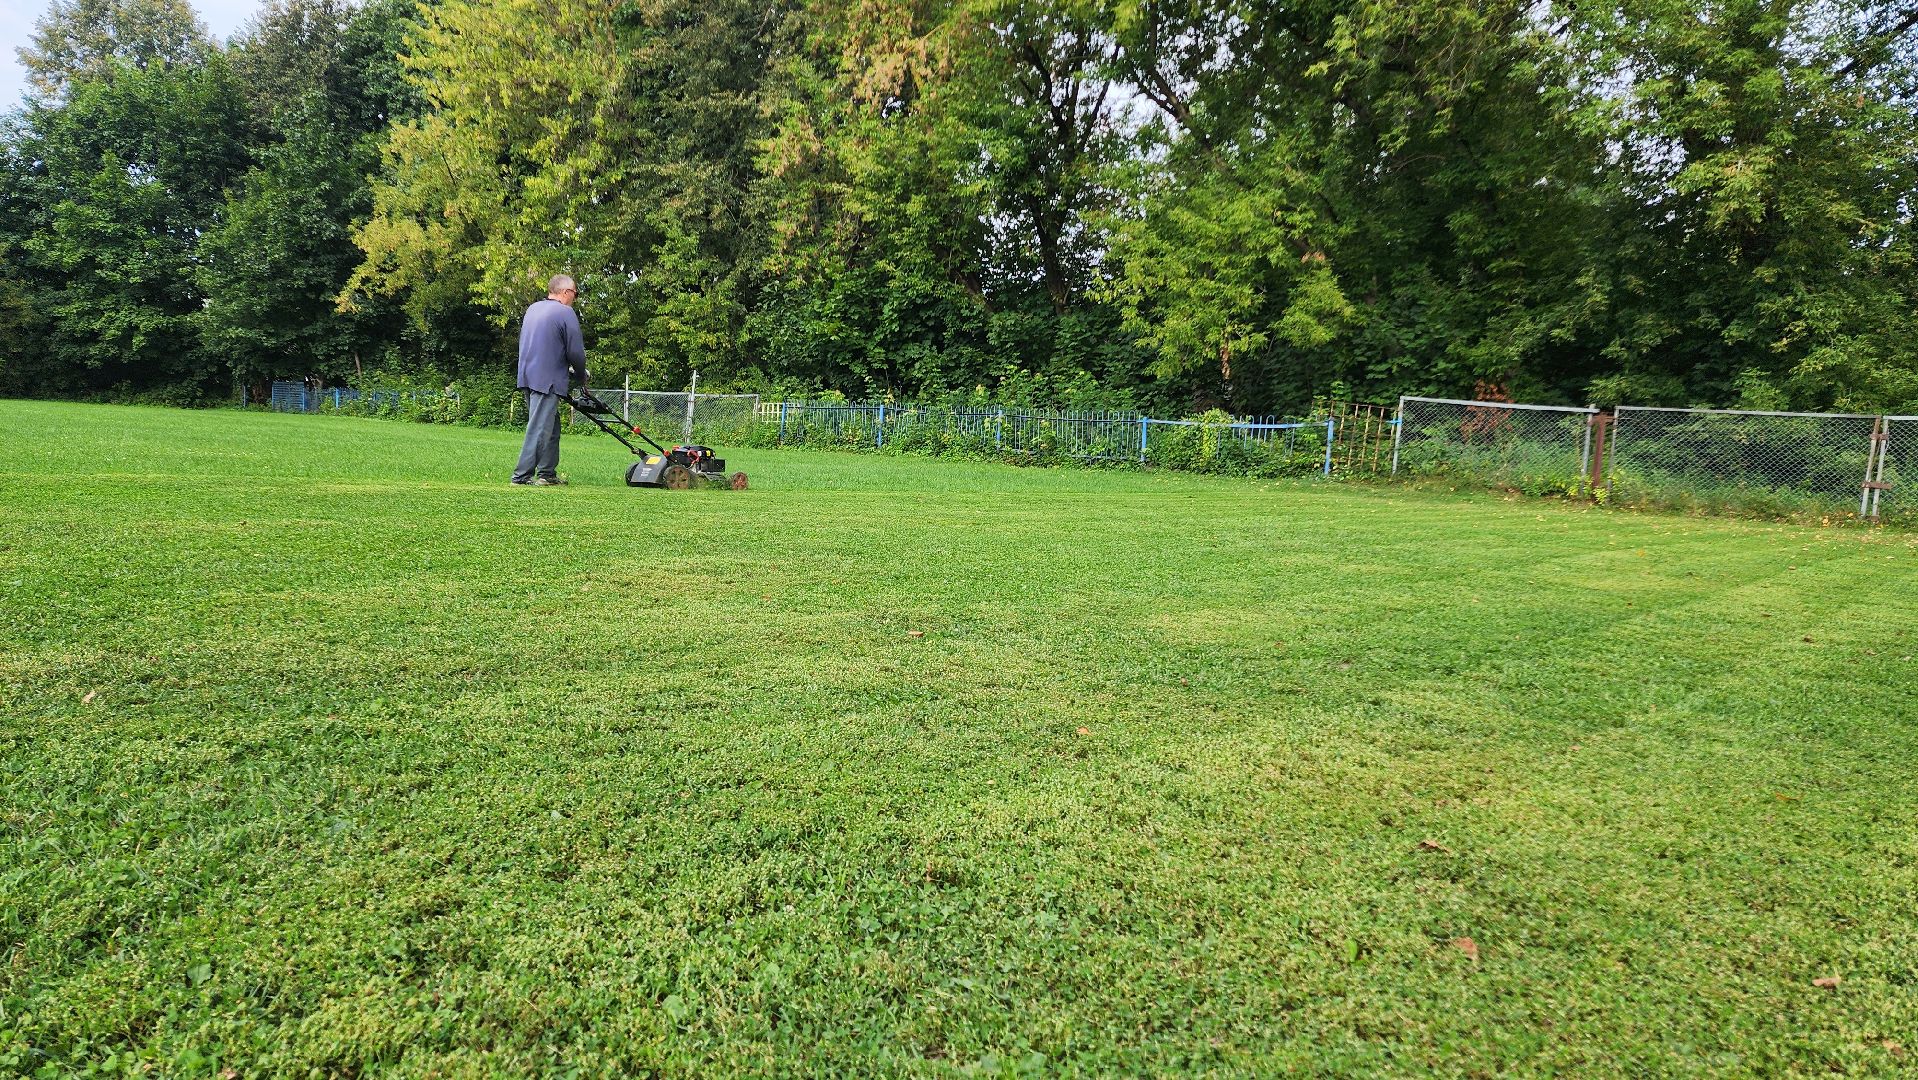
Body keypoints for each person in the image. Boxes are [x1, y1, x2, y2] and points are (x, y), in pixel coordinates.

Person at [512, 274, 589, 485]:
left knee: (551, 426)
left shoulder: (533, 309)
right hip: (547, 380)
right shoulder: (565, 312)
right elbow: (575, 351)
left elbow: (545, 345)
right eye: (575, 293)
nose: (575, 297)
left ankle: (547, 473)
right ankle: (521, 476)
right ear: (566, 292)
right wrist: (582, 374)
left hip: (527, 375)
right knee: (539, 428)